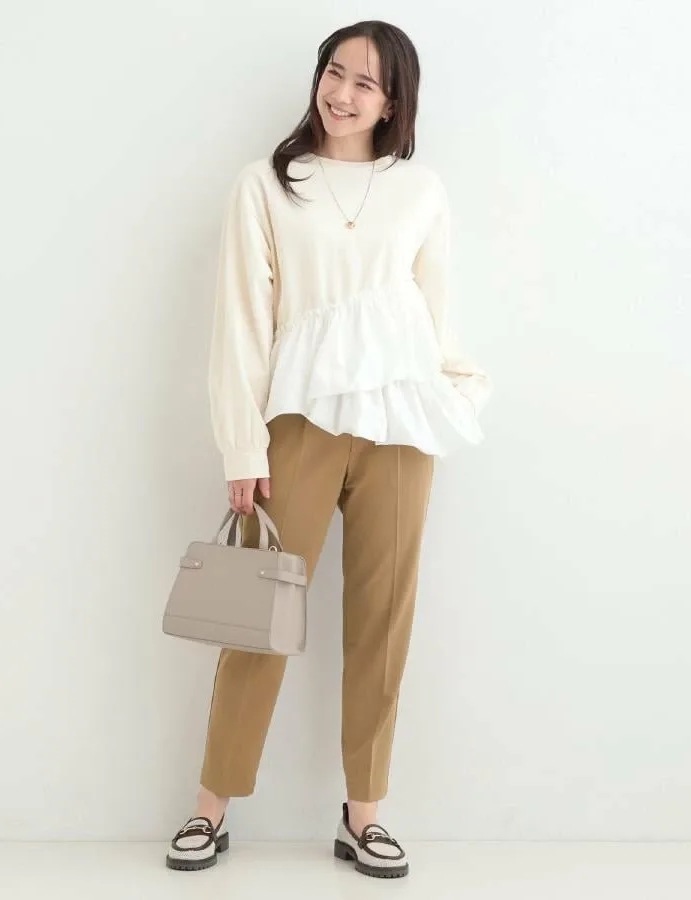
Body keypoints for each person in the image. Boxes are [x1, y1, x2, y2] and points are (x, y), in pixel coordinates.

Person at [166, 19, 492, 879]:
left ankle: (364, 813)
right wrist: (243, 445)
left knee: (385, 622)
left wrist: (458, 391)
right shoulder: (268, 185)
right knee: (256, 617)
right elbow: (242, 322)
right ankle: (210, 805)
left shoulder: (419, 190)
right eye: (334, 72)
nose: (341, 93)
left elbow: (435, 311)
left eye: (365, 83)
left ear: (393, 103)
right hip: (299, 422)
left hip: (401, 424)